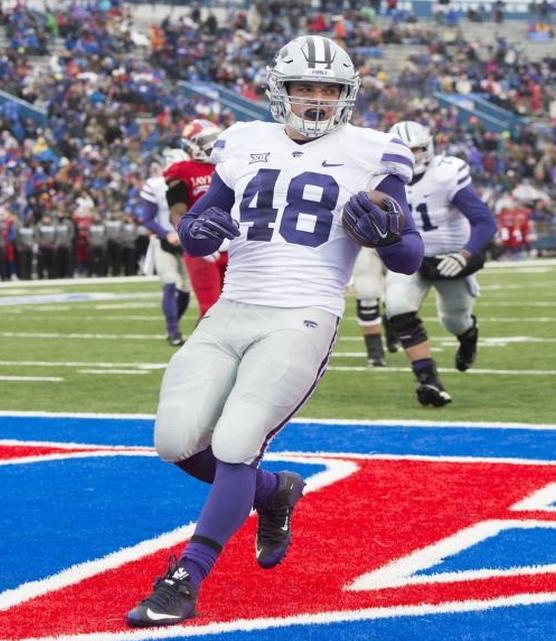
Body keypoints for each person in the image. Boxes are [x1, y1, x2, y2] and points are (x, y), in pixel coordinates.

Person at [124, 35, 423, 628]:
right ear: (278, 90)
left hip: (303, 311)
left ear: (347, 95)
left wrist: (388, 233)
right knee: (175, 441)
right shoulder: (242, 142)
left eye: (328, 89)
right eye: (304, 87)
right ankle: (273, 492)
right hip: (234, 308)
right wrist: (200, 230)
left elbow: (409, 255)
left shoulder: (373, 152)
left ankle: (186, 577)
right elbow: (207, 217)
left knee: (236, 441)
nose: (315, 99)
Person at [384, 120, 496, 406]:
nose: (412, 156)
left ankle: (468, 335)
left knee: (453, 321)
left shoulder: (445, 174)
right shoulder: (378, 176)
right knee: (397, 307)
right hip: (410, 255)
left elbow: (484, 221)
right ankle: (428, 380)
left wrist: (465, 254)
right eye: (404, 150)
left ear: (429, 148)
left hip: (450, 258)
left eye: (418, 149)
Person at [163, 119, 229, 319]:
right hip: (202, 246)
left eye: (214, 139)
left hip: (232, 243)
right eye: (206, 140)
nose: (212, 145)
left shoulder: (228, 166)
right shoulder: (182, 170)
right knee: (210, 308)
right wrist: (192, 237)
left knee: (237, 308)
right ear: (191, 144)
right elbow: (177, 211)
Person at [136, 146, 194, 346]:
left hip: (186, 241)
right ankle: (174, 331)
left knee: (185, 288)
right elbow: (146, 218)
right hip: (164, 241)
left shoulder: (191, 182)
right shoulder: (155, 185)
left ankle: (173, 326)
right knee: (170, 283)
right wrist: (166, 234)